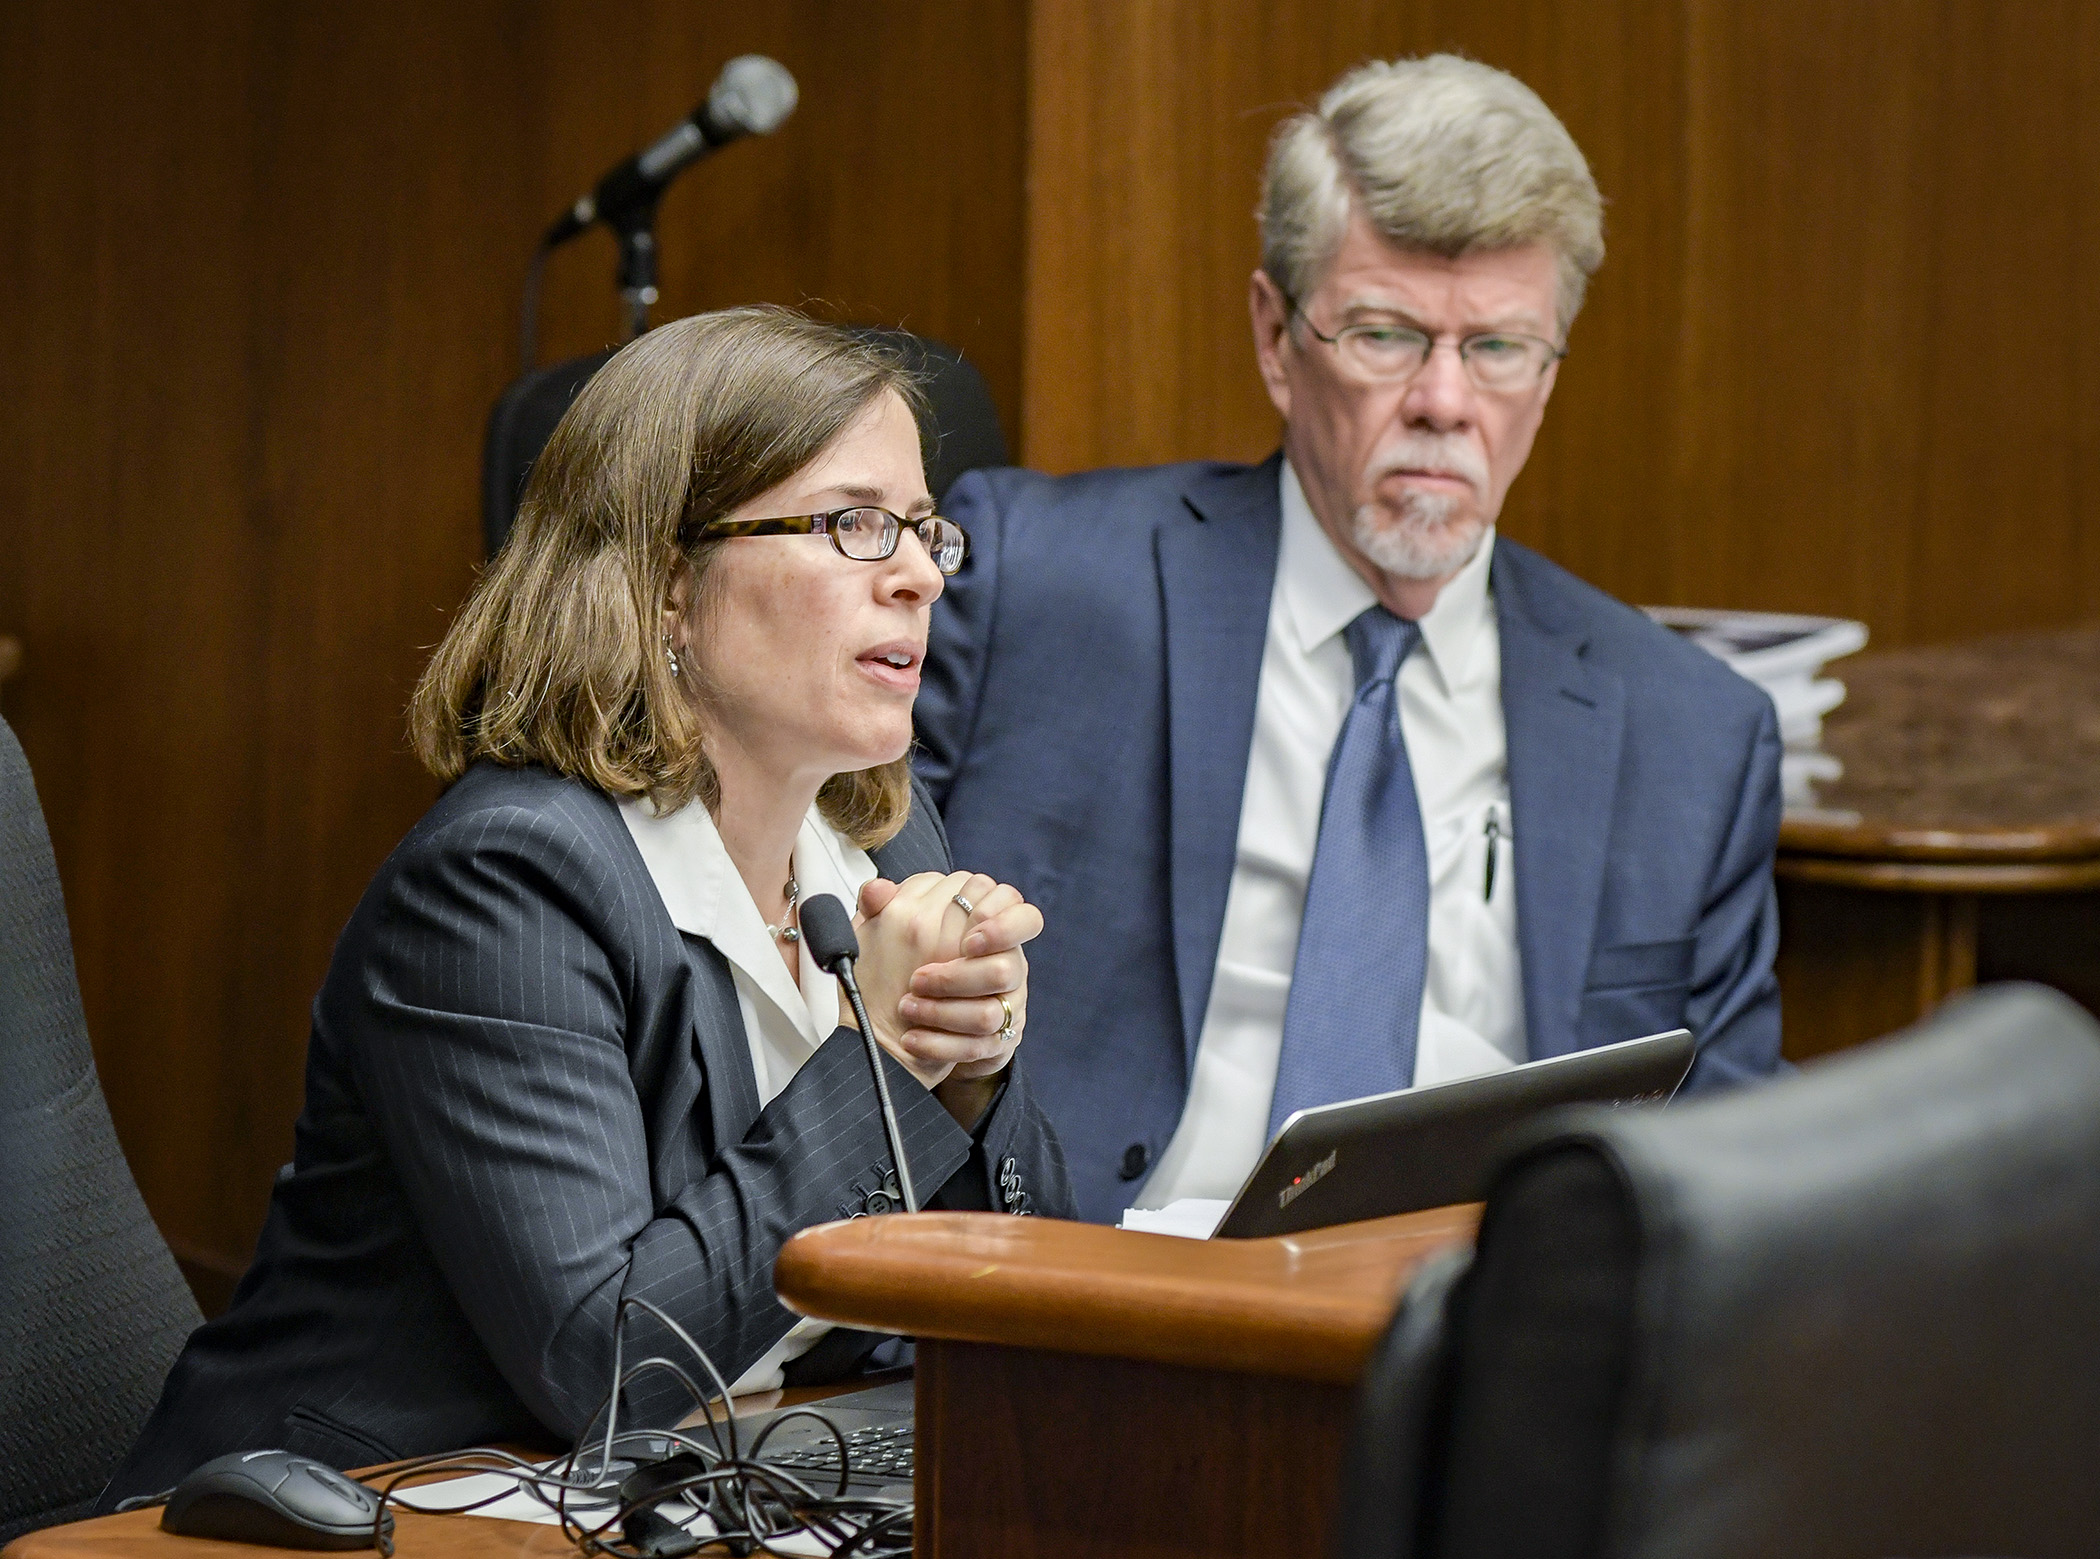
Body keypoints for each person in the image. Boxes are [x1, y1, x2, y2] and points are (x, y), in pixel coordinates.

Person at [103, 307, 1072, 1503]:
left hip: (715, 1486)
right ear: (668, 584)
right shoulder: (505, 883)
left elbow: (1021, 1292)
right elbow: (609, 1363)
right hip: (367, 1513)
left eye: (925, 530)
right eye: (855, 525)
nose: (922, 573)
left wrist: (971, 1074)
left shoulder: (874, 835)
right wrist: (888, 1057)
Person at [915, 55, 1783, 1225]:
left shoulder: (1692, 733)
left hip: (1478, 1349)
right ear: (1279, 337)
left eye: (1497, 349)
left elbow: (1731, 1176)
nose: (1443, 401)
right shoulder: (1036, 585)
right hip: (1101, 1310)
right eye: (1386, 335)